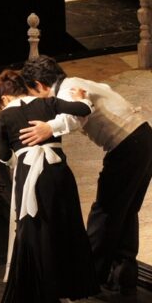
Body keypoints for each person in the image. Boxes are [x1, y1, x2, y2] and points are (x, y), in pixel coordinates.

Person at [20, 55, 152, 296]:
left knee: (105, 212)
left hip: (127, 145)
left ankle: (88, 277)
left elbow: (75, 116)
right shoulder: (78, 82)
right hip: (143, 137)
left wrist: (49, 127)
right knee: (125, 210)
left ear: (38, 85)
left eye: (33, 92)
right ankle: (123, 276)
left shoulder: (67, 90)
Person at [0, 69, 99, 303]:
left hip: (28, 172)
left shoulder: (1, 118)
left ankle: (38, 290)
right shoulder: (47, 103)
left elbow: (3, 155)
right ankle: (69, 284)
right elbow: (84, 110)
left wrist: (15, 159)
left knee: (35, 229)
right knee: (65, 223)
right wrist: (82, 99)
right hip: (58, 171)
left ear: (4, 98)